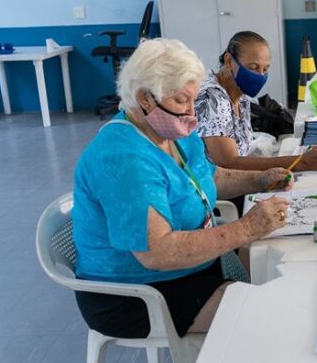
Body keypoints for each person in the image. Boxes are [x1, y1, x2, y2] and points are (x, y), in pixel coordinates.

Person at [73, 38, 292, 338]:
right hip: (138, 291)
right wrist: (247, 229)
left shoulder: (169, 129)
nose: (191, 113)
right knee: (266, 320)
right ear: (145, 98)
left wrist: (261, 179)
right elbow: (157, 253)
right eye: (181, 100)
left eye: (193, 99)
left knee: (282, 275)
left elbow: (209, 179)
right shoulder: (123, 157)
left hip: (189, 267)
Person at [195, 31, 317, 172]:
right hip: (217, 187)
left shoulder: (238, 90)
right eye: (253, 67)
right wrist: (302, 162)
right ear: (229, 61)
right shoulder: (212, 98)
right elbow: (229, 164)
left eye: (265, 69)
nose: (260, 76)